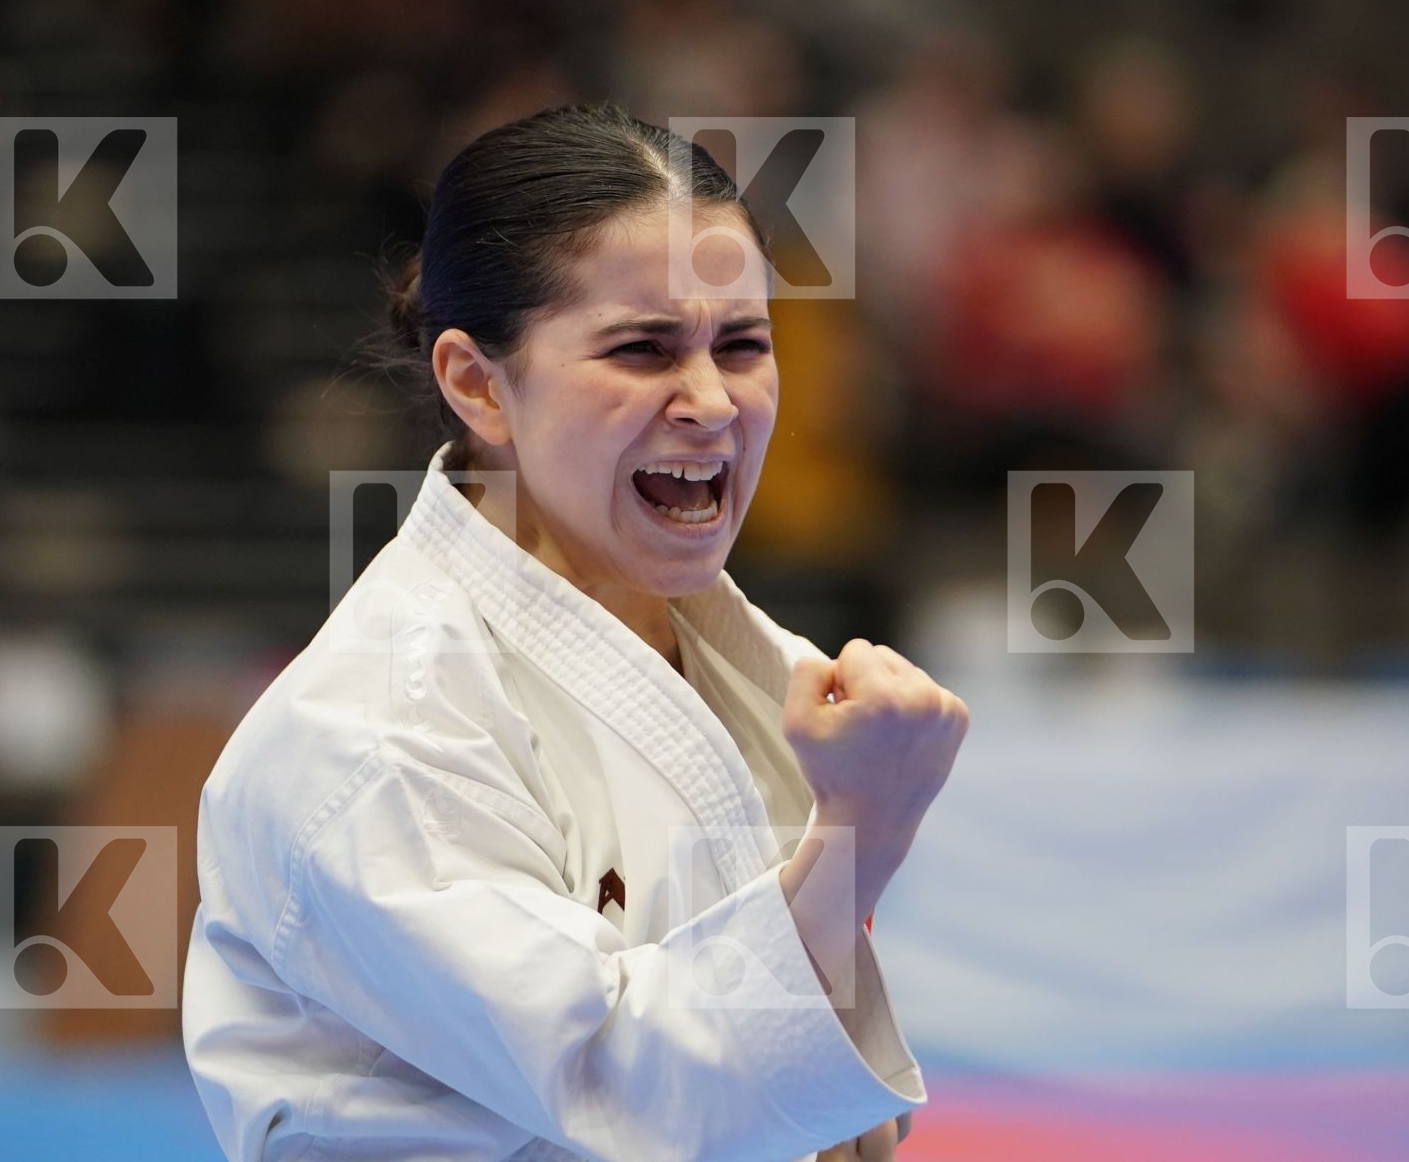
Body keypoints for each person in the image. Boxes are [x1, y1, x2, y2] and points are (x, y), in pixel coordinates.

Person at [181, 103, 971, 1162]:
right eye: (643, 349)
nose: (711, 402)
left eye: (742, 344)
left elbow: (816, 1109)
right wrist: (859, 840)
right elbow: (637, 1095)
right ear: (477, 383)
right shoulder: (374, 734)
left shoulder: (764, 675)